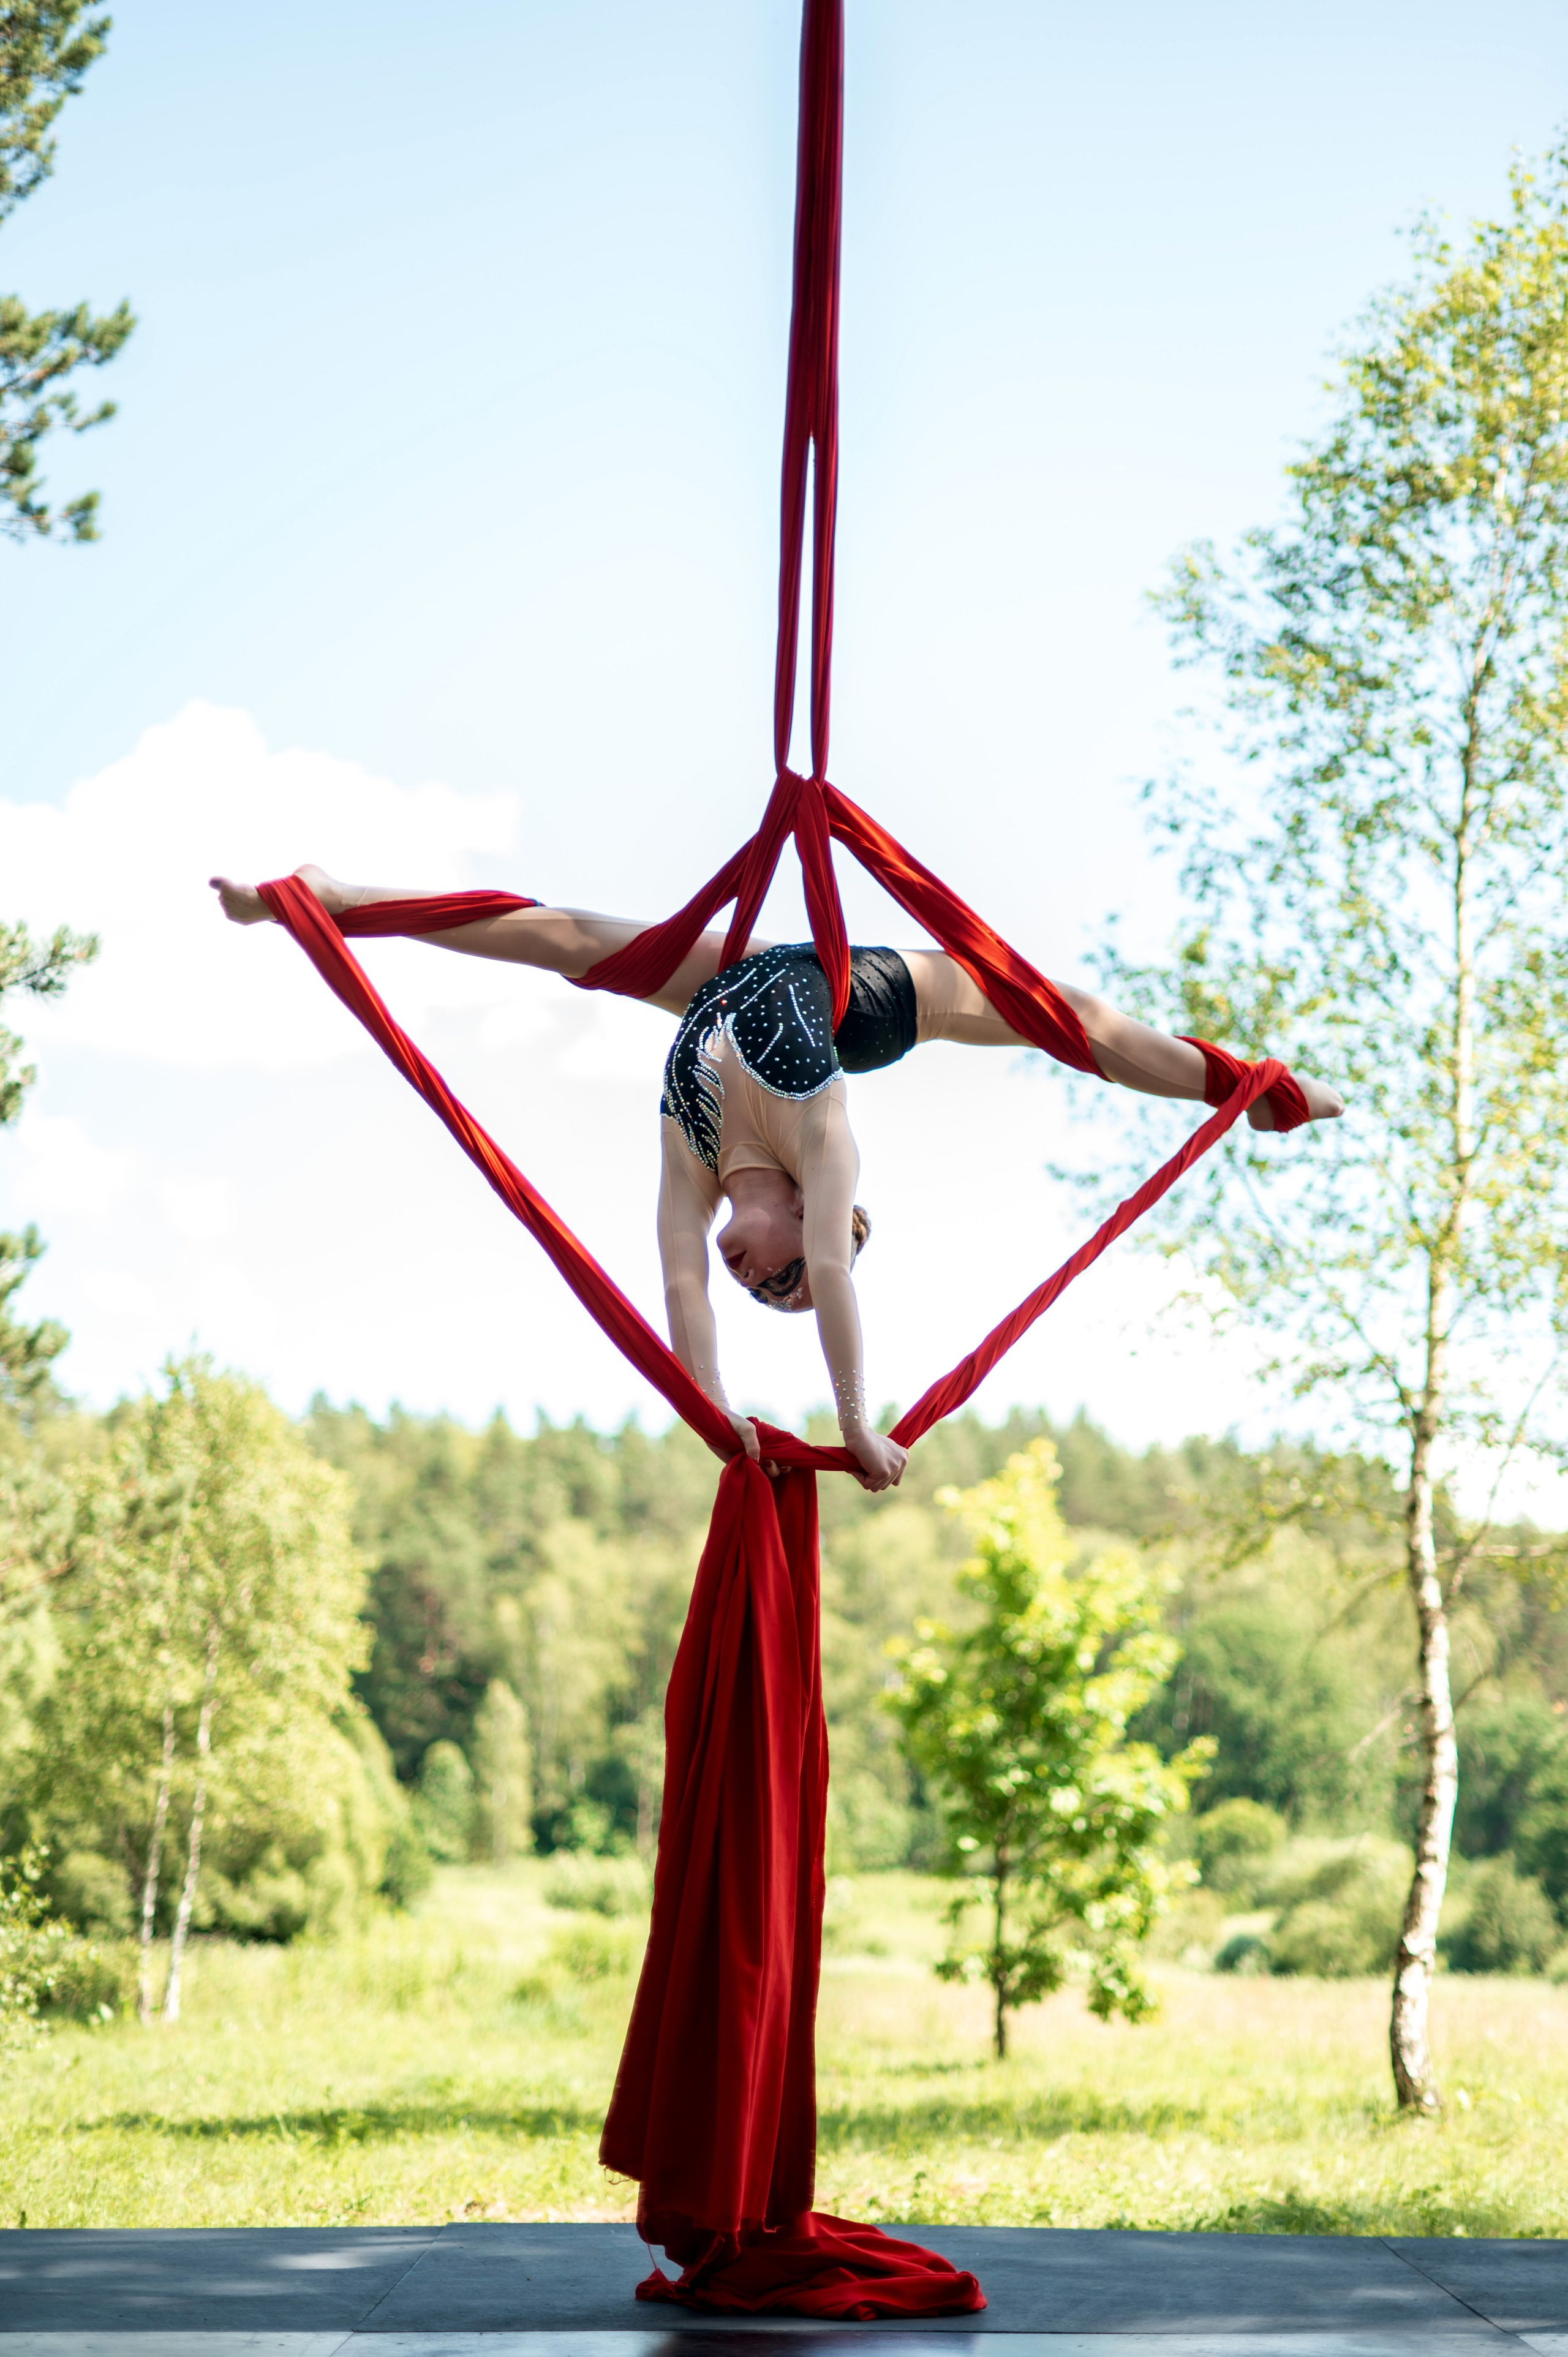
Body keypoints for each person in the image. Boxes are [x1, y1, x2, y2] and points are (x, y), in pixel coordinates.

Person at [211, 867, 1343, 1492]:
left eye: (767, 1293)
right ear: (812, 1221)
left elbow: (680, 1296)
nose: (758, 1282)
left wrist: (713, 1412)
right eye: (785, 1279)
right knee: (1075, 1024)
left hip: (732, 986)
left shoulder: (692, 1165)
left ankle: (322, 905)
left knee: (570, 944)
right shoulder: (824, 1141)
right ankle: (1260, 1091)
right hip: (874, 997)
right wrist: (858, 1425)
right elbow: (840, 1284)